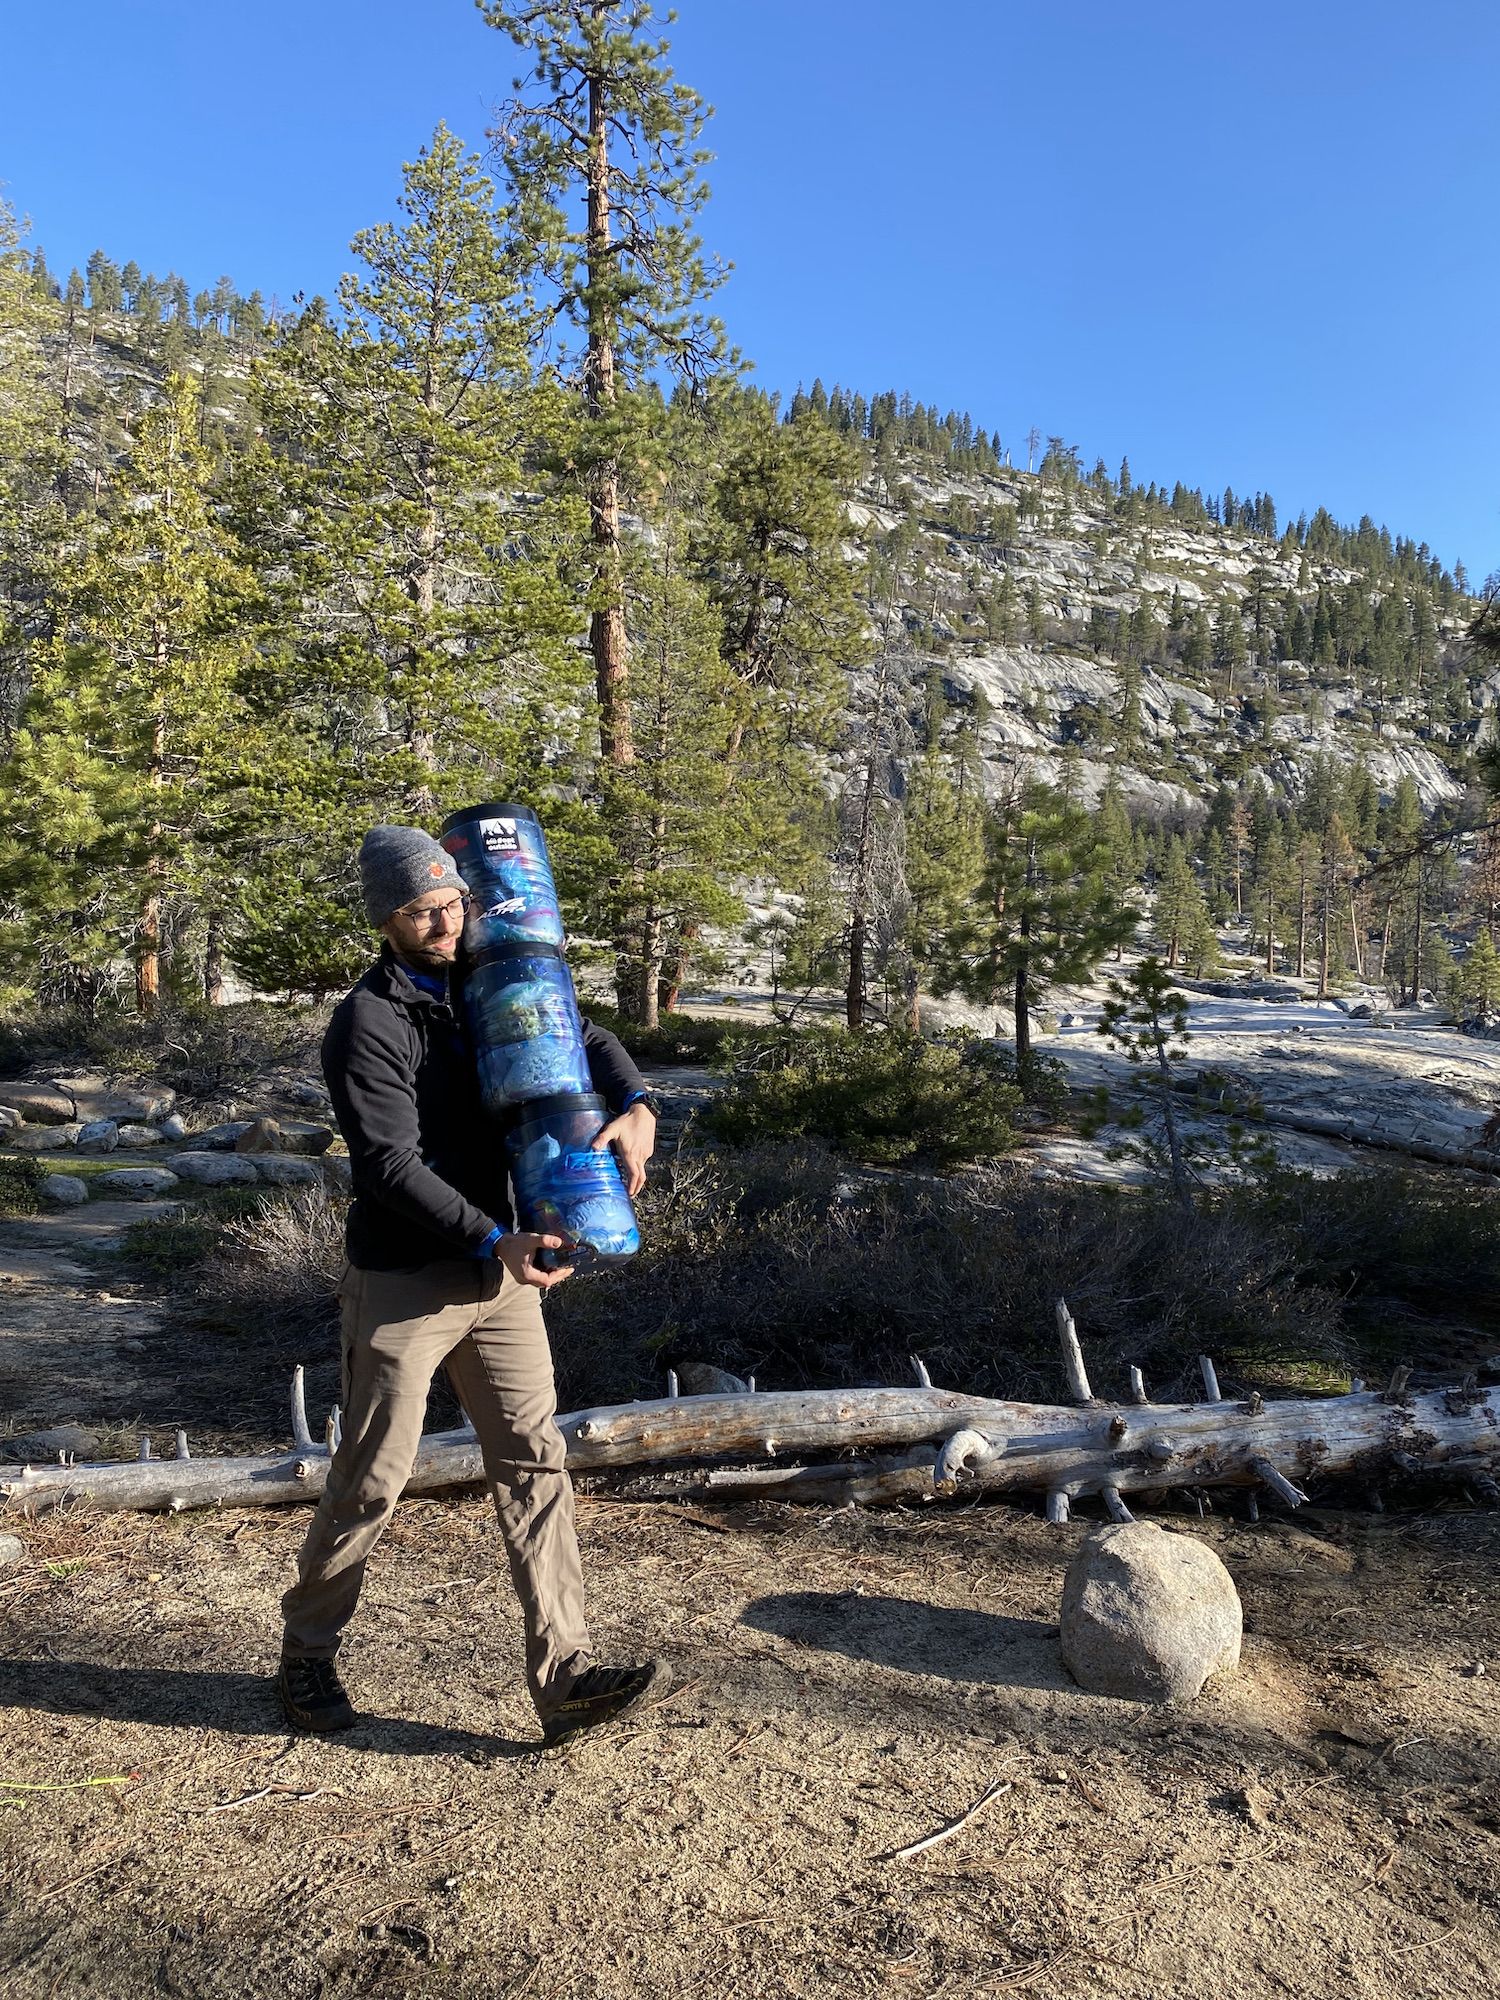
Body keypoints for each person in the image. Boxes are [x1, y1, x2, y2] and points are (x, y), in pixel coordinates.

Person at [277, 824, 667, 1746]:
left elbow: (587, 1034)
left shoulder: (491, 974)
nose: (446, 923)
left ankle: (563, 1675)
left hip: (505, 1277)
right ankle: (306, 1652)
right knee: (372, 1479)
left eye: (451, 902)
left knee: (536, 1464)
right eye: (421, 911)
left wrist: (639, 1102)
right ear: (387, 921)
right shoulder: (368, 1021)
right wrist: (495, 1237)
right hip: (409, 1279)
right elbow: (386, 1165)